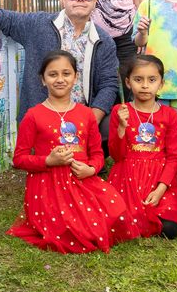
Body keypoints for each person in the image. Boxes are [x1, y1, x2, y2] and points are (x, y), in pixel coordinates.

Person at [7, 50, 130, 253]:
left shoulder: (86, 114)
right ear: (43, 80)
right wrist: (48, 161)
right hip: (49, 186)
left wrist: (91, 170)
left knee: (117, 212)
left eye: (66, 73)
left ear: (75, 77)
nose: (60, 79)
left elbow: (98, 155)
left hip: (82, 180)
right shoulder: (33, 115)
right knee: (74, 232)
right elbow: (19, 159)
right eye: (52, 74)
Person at [107, 54, 177, 239]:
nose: (145, 85)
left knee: (170, 228)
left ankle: (160, 213)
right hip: (128, 174)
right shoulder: (120, 111)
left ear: (161, 83)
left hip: (160, 176)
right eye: (138, 79)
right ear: (128, 82)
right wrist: (122, 127)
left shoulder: (169, 115)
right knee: (122, 218)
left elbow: (173, 157)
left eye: (152, 80)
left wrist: (161, 189)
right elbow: (117, 155)